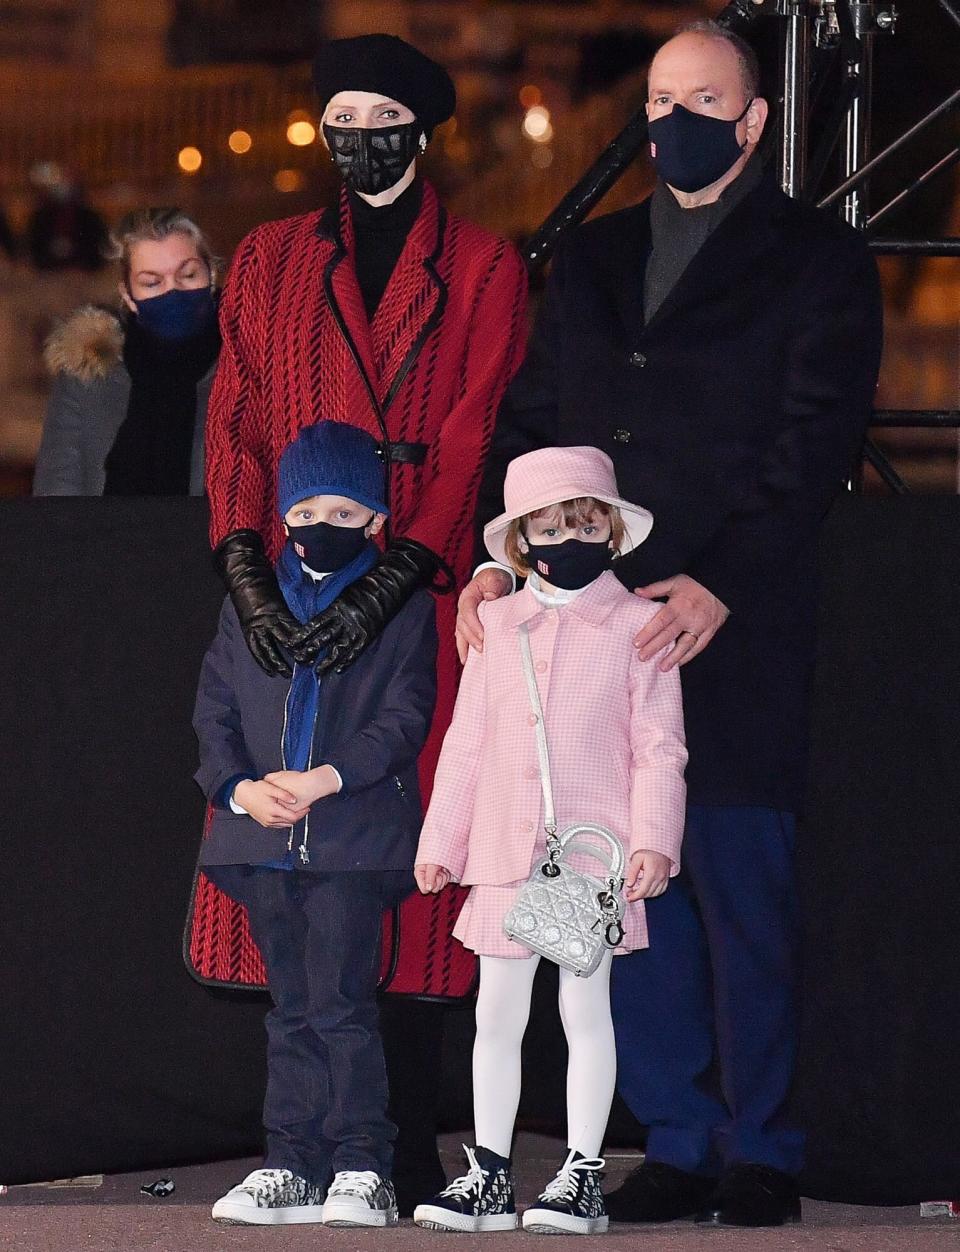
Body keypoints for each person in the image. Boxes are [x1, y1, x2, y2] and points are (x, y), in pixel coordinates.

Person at [459, 21, 883, 1229]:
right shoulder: (588, 261)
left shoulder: (817, 259)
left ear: (754, 122)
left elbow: (815, 440)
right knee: (615, 903)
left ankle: (763, 1145)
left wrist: (720, 578)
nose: (674, 118)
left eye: (704, 98)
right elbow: (534, 422)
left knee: (741, 893)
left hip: (729, 629)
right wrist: (501, 558)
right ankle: (676, 1137)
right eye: (658, 97)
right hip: (587, 633)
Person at [197, 33, 528, 1208]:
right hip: (284, 592)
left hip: (417, 603)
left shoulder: (484, 264)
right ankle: (305, 1144)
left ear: (422, 129)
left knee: (412, 855)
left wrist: (404, 574)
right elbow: (234, 418)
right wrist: (244, 562)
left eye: (382, 111)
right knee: (296, 861)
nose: (360, 132)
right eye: (342, 112)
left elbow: (478, 425)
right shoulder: (269, 257)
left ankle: (401, 1143)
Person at [412, 446, 687, 1236]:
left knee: (583, 1009)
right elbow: (466, 741)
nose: (571, 536)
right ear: (523, 540)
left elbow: (659, 746)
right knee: (495, 1013)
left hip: (594, 853)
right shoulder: (495, 623)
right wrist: (443, 840)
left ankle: (582, 1174)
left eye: (586, 521)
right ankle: (490, 1174)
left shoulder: (639, 624)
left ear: (610, 530)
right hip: (503, 847)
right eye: (552, 525)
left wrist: (655, 838)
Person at [193, 421, 437, 1227]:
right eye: (303, 510)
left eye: (343, 510)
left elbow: (406, 717)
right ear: (282, 517)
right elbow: (216, 709)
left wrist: (329, 778)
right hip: (264, 844)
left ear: (375, 521)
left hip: (352, 845)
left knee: (340, 1008)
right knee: (290, 1009)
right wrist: (237, 790)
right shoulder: (249, 606)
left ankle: (363, 1163)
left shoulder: (397, 609)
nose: (319, 525)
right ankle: (290, 1161)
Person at [33, 207, 220, 496]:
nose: (173, 291)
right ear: (128, 296)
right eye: (152, 282)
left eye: (189, 274)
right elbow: (56, 500)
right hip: (104, 541)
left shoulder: (245, 366)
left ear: (211, 276)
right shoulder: (88, 374)